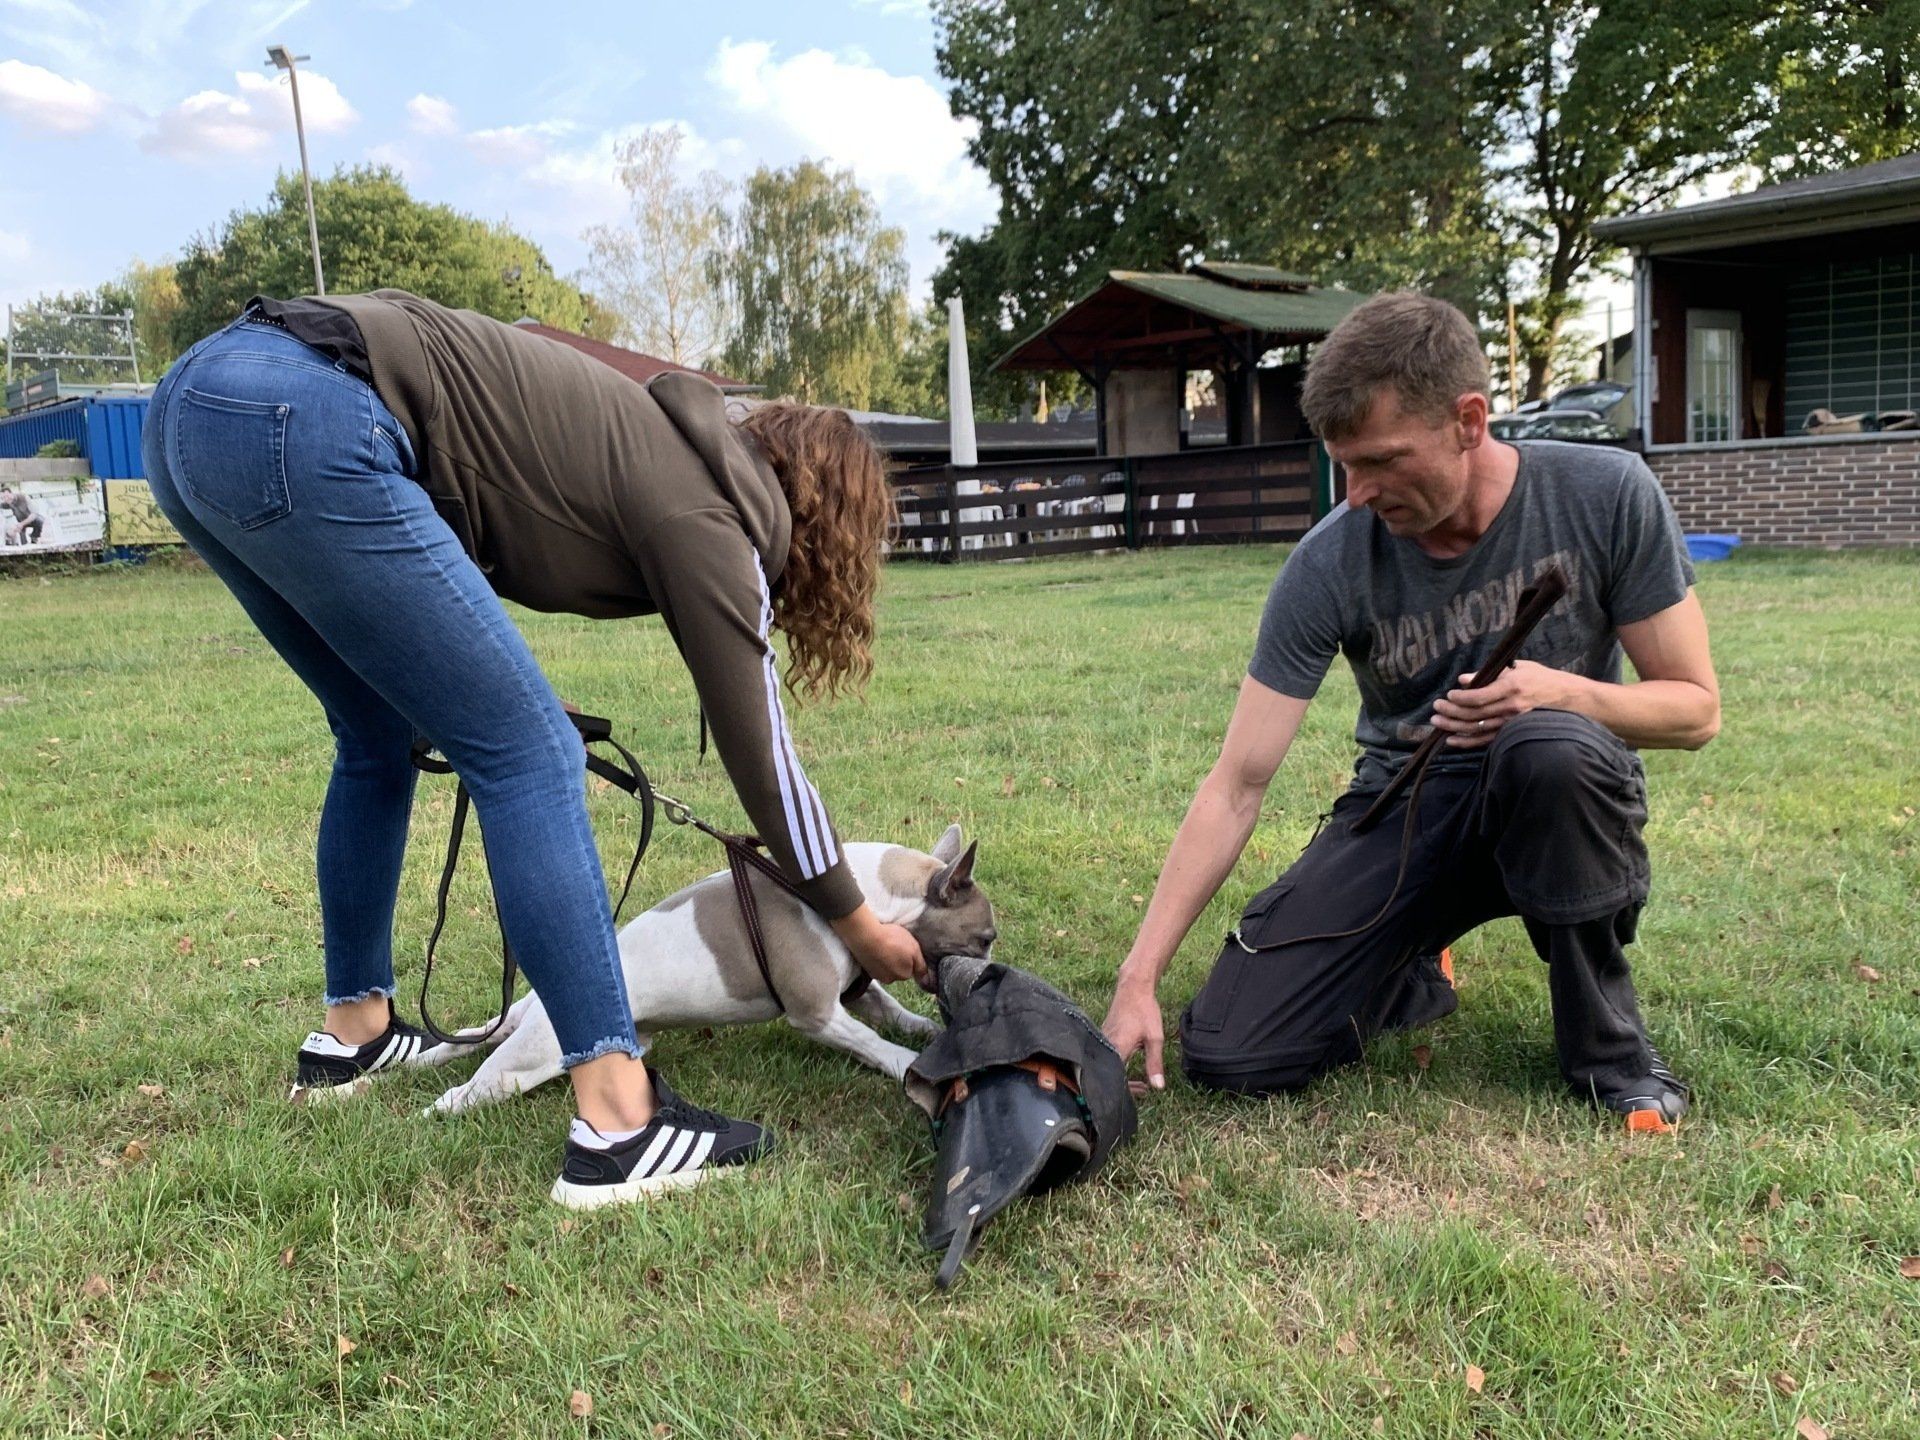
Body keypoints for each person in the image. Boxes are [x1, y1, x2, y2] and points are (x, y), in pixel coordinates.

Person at [142, 291, 927, 1206]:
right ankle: (620, 1124)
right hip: (310, 410)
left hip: (195, 411)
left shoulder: (657, 451)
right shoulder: (714, 518)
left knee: (375, 731)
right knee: (532, 754)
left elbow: (458, 508)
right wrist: (857, 922)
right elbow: (765, 761)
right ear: (826, 519)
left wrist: (478, 681)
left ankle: (354, 1033)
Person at [1101, 293, 1719, 1130]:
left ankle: (1610, 1050)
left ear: (1469, 421)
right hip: (1409, 805)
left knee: (1548, 748)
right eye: (1343, 465)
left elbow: (1694, 710)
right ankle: (1413, 961)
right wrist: (1138, 976)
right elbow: (1237, 784)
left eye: (1382, 461)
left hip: (1558, 795)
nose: (1357, 494)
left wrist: (1557, 692)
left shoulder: (1605, 493)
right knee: (1232, 1051)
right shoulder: (1329, 562)